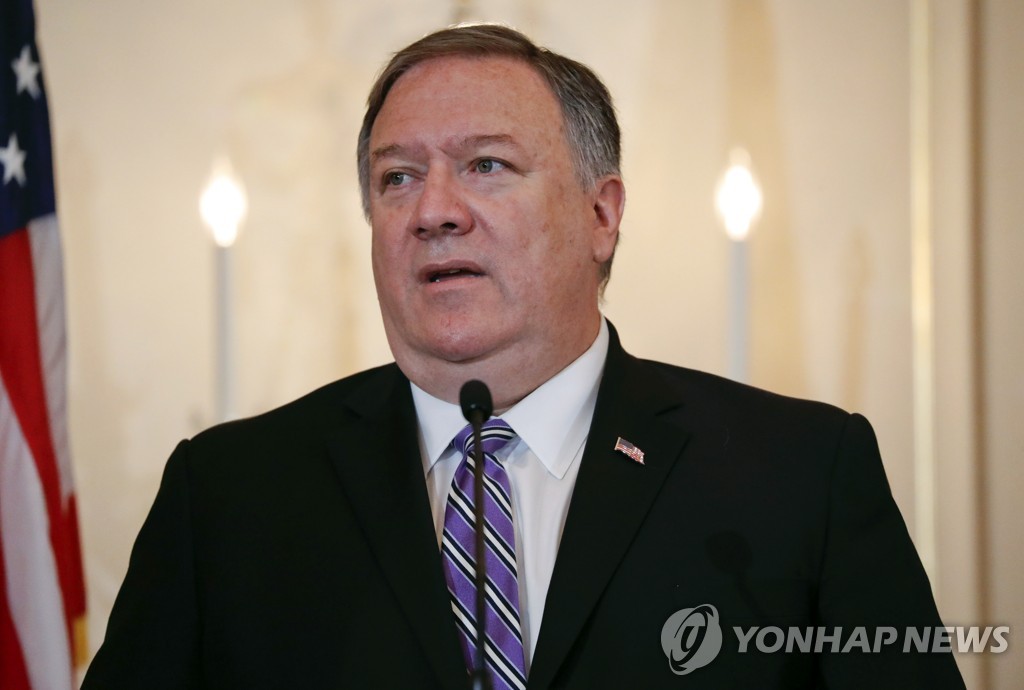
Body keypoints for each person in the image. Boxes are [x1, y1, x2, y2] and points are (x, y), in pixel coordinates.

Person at [84, 24, 965, 689]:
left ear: (601, 214)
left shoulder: (800, 476)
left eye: (487, 165)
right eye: (397, 178)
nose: (434, 210)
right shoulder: (227, 495)